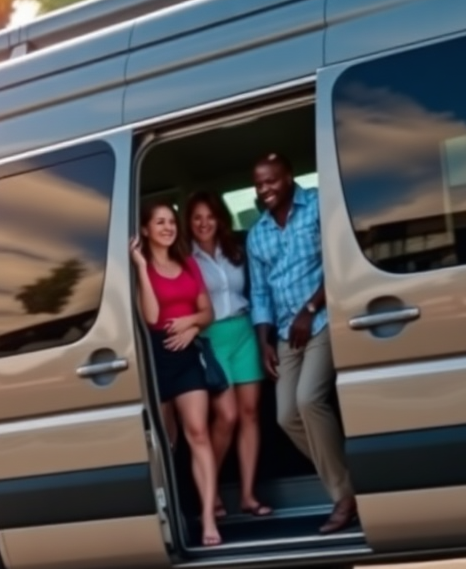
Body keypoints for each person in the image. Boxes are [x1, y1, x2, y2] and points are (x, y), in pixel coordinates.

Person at [246, 154, 357, 534]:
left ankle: (344, 496)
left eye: (271, 181)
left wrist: (310, 309)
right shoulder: (257, 234)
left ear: (289, 176)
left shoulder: (318, 206)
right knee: (285, 416)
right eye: (259, 184)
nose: (265, 190)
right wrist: (264, 342)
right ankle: (349, 479)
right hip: (284, 332)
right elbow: (260, 293)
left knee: (309, 399)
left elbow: (339, 263)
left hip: (322, 320)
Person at [130, 199, 223, 546]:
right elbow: (152, 317)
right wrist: (142, 267)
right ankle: (176, 516)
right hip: (155, 359)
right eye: (160, 222)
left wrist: (191, 324)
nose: (168, 227)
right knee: (167, 443)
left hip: (186, 357)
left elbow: (208, 312)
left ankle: (209, 520)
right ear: (145, 229)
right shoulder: (140, 269)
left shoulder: (188, 263)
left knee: (198, 433)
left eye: (171, 221)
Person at [185, 191, 271, 518]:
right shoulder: (186, 257)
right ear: (188, 222)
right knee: (227, 416)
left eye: (210, 216)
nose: (204, 223)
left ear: (220, 218)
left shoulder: (236, 247)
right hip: (212, 337)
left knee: (250, 413)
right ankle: (211, 490)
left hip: (244, 331)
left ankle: (248, 495)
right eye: (197, 217)